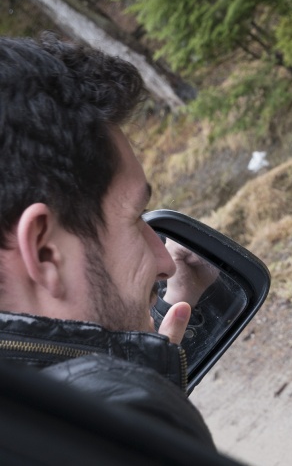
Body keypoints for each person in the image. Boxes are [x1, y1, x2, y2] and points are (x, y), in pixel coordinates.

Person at [0, 33, 213, 446]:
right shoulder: (100, 429)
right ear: (45, 251)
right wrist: (141, 411)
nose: (165, 261)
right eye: (135, 219)